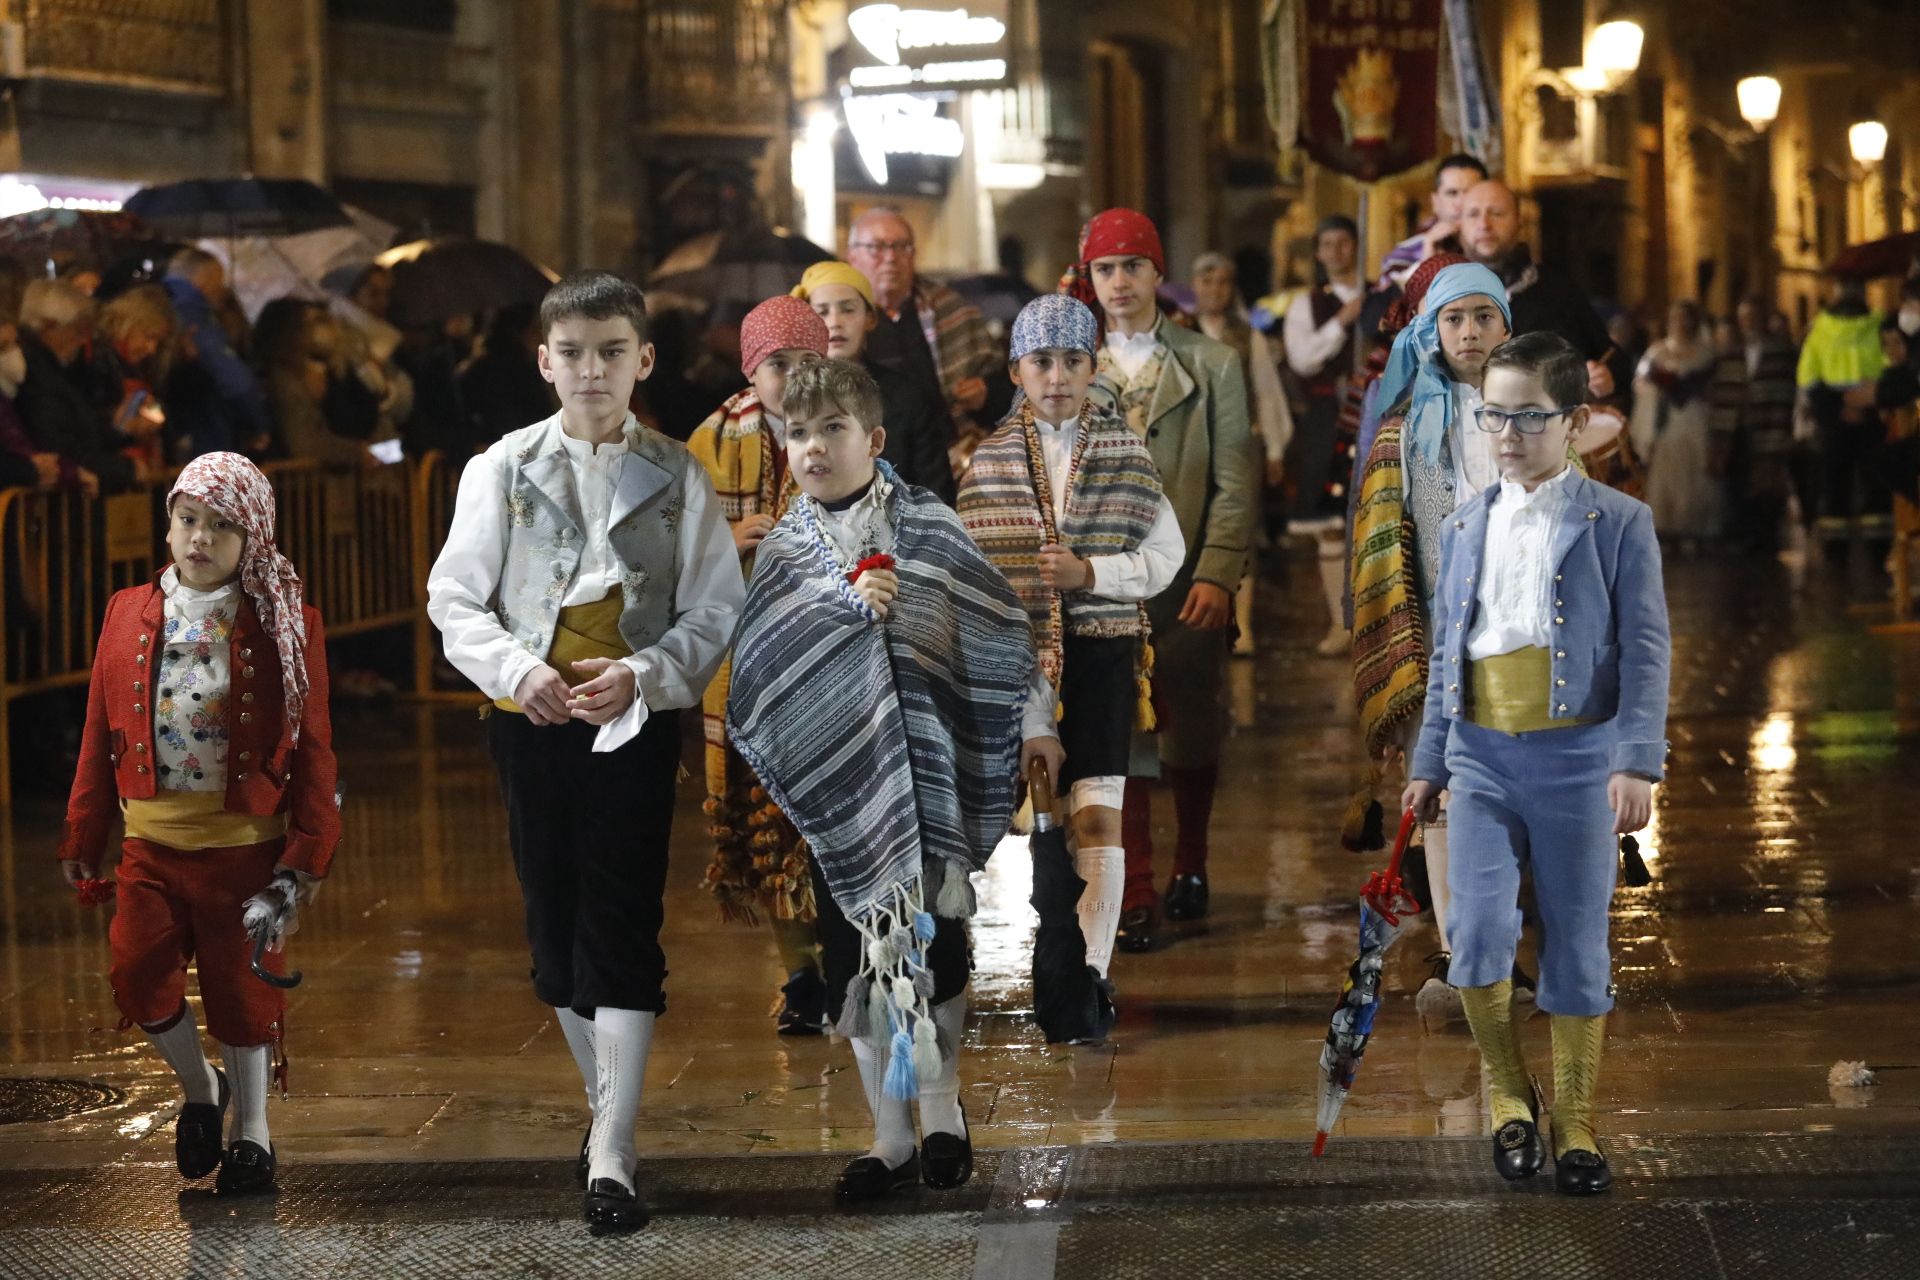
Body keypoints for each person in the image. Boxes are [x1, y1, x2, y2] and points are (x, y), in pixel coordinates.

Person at [426, 271, 744, 1235]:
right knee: (554, 937)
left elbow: (716, 607)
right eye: (573, 353)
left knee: (622, 920)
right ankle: (607, 1110)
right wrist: (519, 672)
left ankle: (614, 1143)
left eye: (612, 352)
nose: (592, 371)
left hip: (634, 723)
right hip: (531, 719)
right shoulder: (499, 468)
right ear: (544, 362)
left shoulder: (680, 475)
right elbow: (454, 597)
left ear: (644, 360)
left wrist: (646, 674)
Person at [726, 358, 1043, 1201]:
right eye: (797, 432)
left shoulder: (929, 525)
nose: (813, 448)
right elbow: (763, 667)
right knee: (851, 959)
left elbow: (994, 627)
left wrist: (1034, 723)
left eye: (832, 430)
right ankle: (889, 1135)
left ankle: (942, 1115)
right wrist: (840, 618)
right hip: (842, 795)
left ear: (871, 438)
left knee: (935, 951)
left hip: (928, 774)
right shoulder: (788, 550)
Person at [1403, 331, 1669, 1197]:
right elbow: (1451, 651)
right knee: (1476, 937)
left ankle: (1579, 1119)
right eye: (1494, 416)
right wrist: (1431, 756)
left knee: (1578, 944)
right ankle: (1509, 1095)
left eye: (1528, 417)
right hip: (1481, 756)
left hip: (1581, 759)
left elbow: (1646, 648)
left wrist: (1636, 760)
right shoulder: (1466, 521)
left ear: (1576, 422)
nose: (1507, 435)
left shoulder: (1621, 522)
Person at [57, 451, 340, 1195]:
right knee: (136, 976)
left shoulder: (285, 620)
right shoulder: (127, 611)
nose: (199, 538)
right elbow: (96, 728)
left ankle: (253, 1134)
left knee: (242, 994)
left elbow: (314, 746)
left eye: (220, 526)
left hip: (246, 849)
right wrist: (84, 831)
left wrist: (309, 848)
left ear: (255, 540)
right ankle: (199, 1089)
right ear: (170, 523)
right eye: (187, 520)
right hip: (151, 841)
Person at [957, 294, 1184, 1027]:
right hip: (1014, 660)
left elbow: (1165, 557)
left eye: (1073, 361)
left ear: (1094, 367)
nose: (1057, 377)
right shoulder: (988, 462)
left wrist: (1093, 575)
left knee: (1098, 816)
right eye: (1041, 362)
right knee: (1030, 816)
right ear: (1016, 370)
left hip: (1104, 650)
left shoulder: (1125, 450)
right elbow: (972, 575)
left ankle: (1090, 974)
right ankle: (1041, 954)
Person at [1067, 208, 1254, 953]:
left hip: (1184, 581)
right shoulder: (1069, 363)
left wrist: (1219, 570)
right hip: (1103, 580)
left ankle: (1194, 860)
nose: (1118, 283)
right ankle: (1135, 885)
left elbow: (1235, 483)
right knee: (1118, 730)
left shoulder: (1212, 365)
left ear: (1156, 273)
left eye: (1132, 267)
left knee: (1190, 721)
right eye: (1104, 269)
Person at [1349, 261, 1516, 1025]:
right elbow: (1384, 542)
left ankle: (1506, 943)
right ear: (1430, 330)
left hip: (1518, 633)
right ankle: (1459, 951)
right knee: (1443, 796)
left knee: (1511, 796)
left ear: (1507, 327)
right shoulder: (1402, 426)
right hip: (1436, 635)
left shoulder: (1535, 413)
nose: (1470, 332)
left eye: (1485, 317)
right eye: (1455, 319)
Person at [688, 295, 832, 1036]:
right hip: (746, 661)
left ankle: (842, 958)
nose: (792, 377)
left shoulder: (843, 425)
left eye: (806, 361)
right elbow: (674, 544)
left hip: (828, 657)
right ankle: (801, 974)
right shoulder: (711, 441)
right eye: (777, 364)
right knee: (768, 820)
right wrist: (727, 538)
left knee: (822, 818)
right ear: (751, 369)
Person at [1192, 252, 1291, 654]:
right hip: (1193, 446)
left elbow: (1266, 391)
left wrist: (1274, 448)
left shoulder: (1246, 334)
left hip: (1238, 445)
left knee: (1239, 533)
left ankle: (1241, 626)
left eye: (1223, 282)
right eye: (1207, 282)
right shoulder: (1178, 331)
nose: (1215, 291)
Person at [793, 260, 955, 501]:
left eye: (848, 309)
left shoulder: (907, 397)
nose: (835, 321)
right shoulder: (790, 397)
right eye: (822, 312)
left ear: (870, 318)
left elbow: (935, 495)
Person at [846, 206, 1004, 451]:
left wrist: (985, 393)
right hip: (866, 454)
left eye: (901, 246)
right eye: (876, 247)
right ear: (852, 256)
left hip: (953, 452)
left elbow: (1004, 386)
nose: (890, 257)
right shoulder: (839, 317)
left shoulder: (950, 308)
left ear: (913, 255)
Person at [1284, 214, 1369, 657]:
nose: (1336, 252)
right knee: (1330, 524)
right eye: (1328, 244)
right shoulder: (1306, 305)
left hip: (1375, 415)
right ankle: (1340, 623)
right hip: (1329, 418)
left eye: (1344, 242)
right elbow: (1302, 360)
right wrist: (1341, 322)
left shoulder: (1379, 297)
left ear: (1356, 246)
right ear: (1318, 252)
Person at [1458, 181, 1624, 402]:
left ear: (1520, 221)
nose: (1484, 224)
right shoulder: (1440, 295)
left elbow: (1612, 359)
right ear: (1459, 225)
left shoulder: (1560, 290)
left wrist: (1604, 375)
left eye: (1496, 213)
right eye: (1473, 214)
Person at [16, 278, 141, 492]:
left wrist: (117, 428)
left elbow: (76, 430)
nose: (83, 340)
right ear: (49, 326)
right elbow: (59, 446)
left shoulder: (56, 371)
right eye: (77, 330)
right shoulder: (34, 377)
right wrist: (124, 469)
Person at [1796, 274, 1888, 554]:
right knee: (1869, 482)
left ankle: (1839, 548)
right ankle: (1876, 546)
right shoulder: (1879, 326)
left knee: (1839, 482)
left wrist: (1838, 408)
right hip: (1870, 413)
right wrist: (1859, 404)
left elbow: (1808, 378)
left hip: (1842, 416)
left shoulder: (1820, 330)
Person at [1709, 296, 1798, 555]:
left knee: (1767, 483)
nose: (1747, 322)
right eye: (1743, 317)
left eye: (1752, 316)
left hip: (1768, 426)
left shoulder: (1779, 351)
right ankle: (1743, 534)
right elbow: (1721, 392)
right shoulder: (1731, 354)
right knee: (1737, 483)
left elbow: (1785, 389)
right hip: (1735, 430)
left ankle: (1766, 536)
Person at [163, 249, 272, 459]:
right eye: (218, 280)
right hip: (207, 435)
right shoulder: (194, 314)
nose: (220, 289)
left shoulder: (161, 302)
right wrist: (258, 423)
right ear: (204, 278)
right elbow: (236, 382)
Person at [253, 301, 388, 469]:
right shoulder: (284, 382)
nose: (330, 327)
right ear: (292, 331)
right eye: (317, 321)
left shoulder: (333, 372)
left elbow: (362, 418)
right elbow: (304, 442)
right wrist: (355, 453)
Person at [1631, 300, 1723, 547]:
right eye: (1675, 317)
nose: (1680, 323)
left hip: (1695, 419)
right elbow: (1642, 386)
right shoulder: (1657, 352)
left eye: (1685, 317)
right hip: (1666, 421)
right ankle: (1667, 529)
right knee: (1666, 473)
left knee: (1695, 470)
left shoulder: (1705, 353)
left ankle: (1695, 529)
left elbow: (1713, 388)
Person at [1375, 153, 1489, 292]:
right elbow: (1389, 308)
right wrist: (1427, 264)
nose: (1461, 203)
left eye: (1470, 192)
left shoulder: (1501, 247)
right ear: (1435, 202)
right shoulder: (1404, 255)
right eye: (1452, 193)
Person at [458, 303, 556, 450]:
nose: (542, 336)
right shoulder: (517, 367)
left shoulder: (482, 363)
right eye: (537, 329)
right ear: (521, 331)